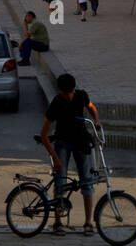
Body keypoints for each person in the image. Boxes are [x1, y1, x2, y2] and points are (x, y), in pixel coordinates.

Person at [39, 73, 103, 236]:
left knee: (87, 182)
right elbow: (44, 134)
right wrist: (55, 158)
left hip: (81, 143)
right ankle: (57, 222)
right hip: (63, 144)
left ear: (74, 89)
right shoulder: (57, 102)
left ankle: (88, 222)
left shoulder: (81, 96)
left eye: (70, 92)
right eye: (65, 93)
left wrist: (96, 120)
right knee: (60, 183)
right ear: (60, 91)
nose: (68, 96)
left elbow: (92, 107)